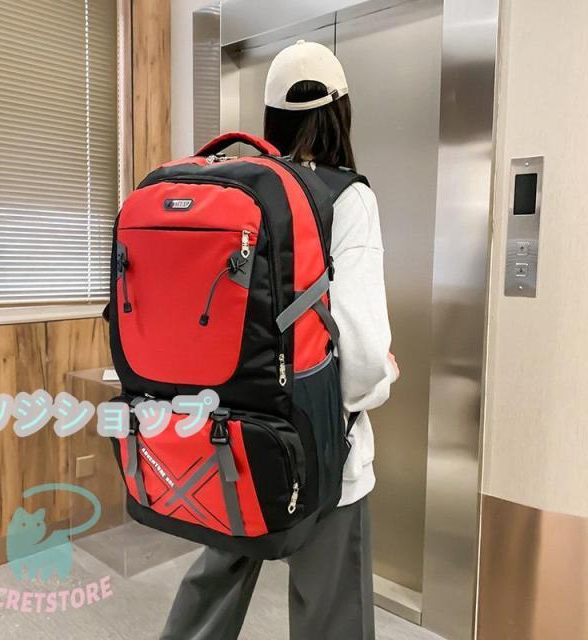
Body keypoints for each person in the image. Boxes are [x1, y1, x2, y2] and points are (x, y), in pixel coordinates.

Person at [160, 40, 399, 640]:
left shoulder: (239, 190)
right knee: (331, 614)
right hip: (323, 449)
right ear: (341, 112)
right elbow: (363, 360)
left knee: (213, 587)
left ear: (271, 117)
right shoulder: (348, 198)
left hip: (230, 435)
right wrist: (383, 376)